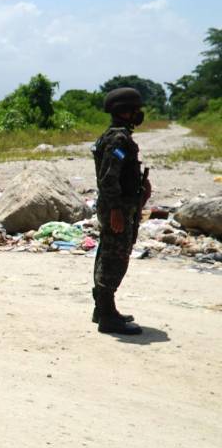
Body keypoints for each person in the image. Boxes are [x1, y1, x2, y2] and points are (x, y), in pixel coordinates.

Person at [91, 87, 149, 335]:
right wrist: (116, 209)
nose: (139, 113)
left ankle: (103, 309)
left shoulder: (116, 136)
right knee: (115, 258)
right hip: (118, 207)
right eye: (135, 109)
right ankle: (107, 316)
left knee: (108, 253)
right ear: (125, 111)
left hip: (119, 205)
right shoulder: (119, 139)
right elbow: (108, 178)